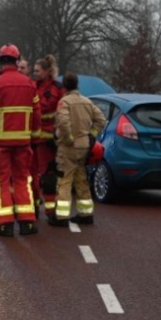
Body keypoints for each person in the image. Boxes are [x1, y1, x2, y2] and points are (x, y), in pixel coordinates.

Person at [0, 44, 39, 237]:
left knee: (1, 182)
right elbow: (36, 113)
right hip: (23, 144)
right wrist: (34, 136)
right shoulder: (29, 84)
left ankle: (5, 224)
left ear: (0, 62)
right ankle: (27, 223)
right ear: (16, 61)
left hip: (1, 145)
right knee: (22, 180)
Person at [52, 72, 106, 226]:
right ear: (77, 85)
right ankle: (86, 214)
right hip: (84, 147)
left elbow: (63, 122)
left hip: (69, 147)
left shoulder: (64, 102)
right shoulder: (87, 101)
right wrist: (91, 135)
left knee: (64, 180)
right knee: (81, 179)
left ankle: (61, 217)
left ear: (64, 86)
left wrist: (68, 139)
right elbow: (101, 120)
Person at [30, 54, 64, 224]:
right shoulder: (32, 86)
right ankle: (33, 207)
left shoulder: (58, 88)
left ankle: (51, 212)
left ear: (47, 71)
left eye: (38, 71)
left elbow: (63, 113)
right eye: (34, 71)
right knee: (31, 175)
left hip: (49, 140)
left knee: (49, 175)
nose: (35, 73)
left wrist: (58, 134)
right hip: (32, 139)